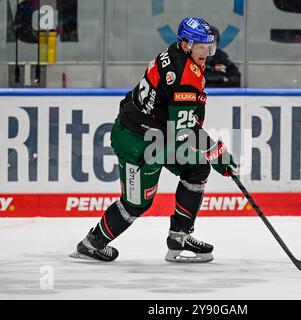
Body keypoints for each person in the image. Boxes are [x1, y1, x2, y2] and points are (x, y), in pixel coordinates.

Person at [70, 17, 238, 263]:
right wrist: (216, 152)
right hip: (136, 140)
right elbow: (184, 130)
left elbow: (179, 125)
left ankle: (178, 237)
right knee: (136, 204)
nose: (206, 53)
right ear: (185, 45)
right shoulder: (184, 75)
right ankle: (92, 243)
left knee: (196, 168)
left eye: (208, 47)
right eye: (201, 47)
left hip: (158, 135)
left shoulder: (174, 54)